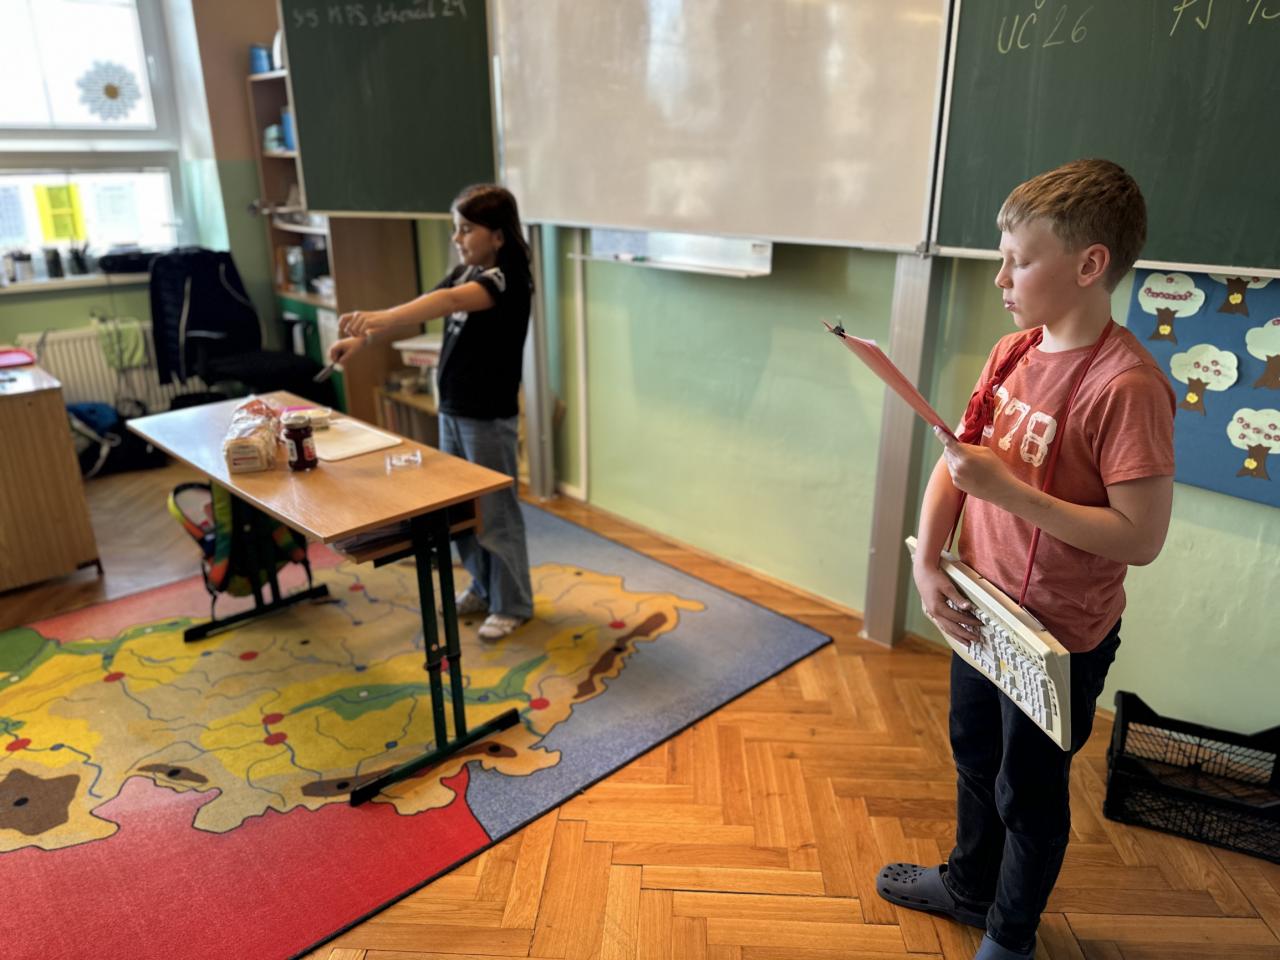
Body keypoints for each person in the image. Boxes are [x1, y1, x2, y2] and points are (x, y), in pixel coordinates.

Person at [876, 159, 1176, 960]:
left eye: (1020, 261)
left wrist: (1009, 493)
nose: (1001, 278)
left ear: (1089, 265)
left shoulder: (1127, 386)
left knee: (1029, 793)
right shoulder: (1012, 352)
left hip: (1059, 637)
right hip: (983, 608)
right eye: (1001, 258)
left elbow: (1140, 538)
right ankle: (970, 887)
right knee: (975, 755)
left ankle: (1011, 937)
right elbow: (957, 461)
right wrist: (929, 562)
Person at [328, 184, 535, 642]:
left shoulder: (506, 280)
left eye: (466, 229)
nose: (457, 238)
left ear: (498, 235)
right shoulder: (465, 271)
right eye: (455, 229)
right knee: (462, 513)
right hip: (454, 411)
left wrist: (379, 317)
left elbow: (449, 303)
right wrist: (360, 339)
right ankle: (483, 587)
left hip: (487, 418)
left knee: (495, 514)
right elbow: (426, 304)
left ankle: (513, 603)